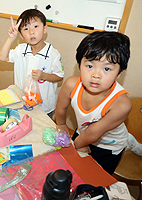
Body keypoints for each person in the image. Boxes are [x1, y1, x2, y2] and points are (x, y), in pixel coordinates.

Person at [55, 31, 142, 175]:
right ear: (79, 65)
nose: (96, 75)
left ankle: (130, 142)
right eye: (89, 66)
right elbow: (61, 108)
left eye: (107, 69)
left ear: (119, 74)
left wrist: (77, 145)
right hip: (84, 132)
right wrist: (61, 124)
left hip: (109, 145)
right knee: (72, 168)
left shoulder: (121, 104)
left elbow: (93, 133)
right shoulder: (71, 84)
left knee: (95, 178)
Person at [0, 9, 64, 119]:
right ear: (21, 35)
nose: (31, 32)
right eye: (26, 28)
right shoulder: (20, 49)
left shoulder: (53, 54)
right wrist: (11, 39)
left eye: (35, 26)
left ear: (45, 29)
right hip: (23, 101)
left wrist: (44, 76)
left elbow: (59, 76)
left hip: (44, 105)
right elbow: (2, 57)